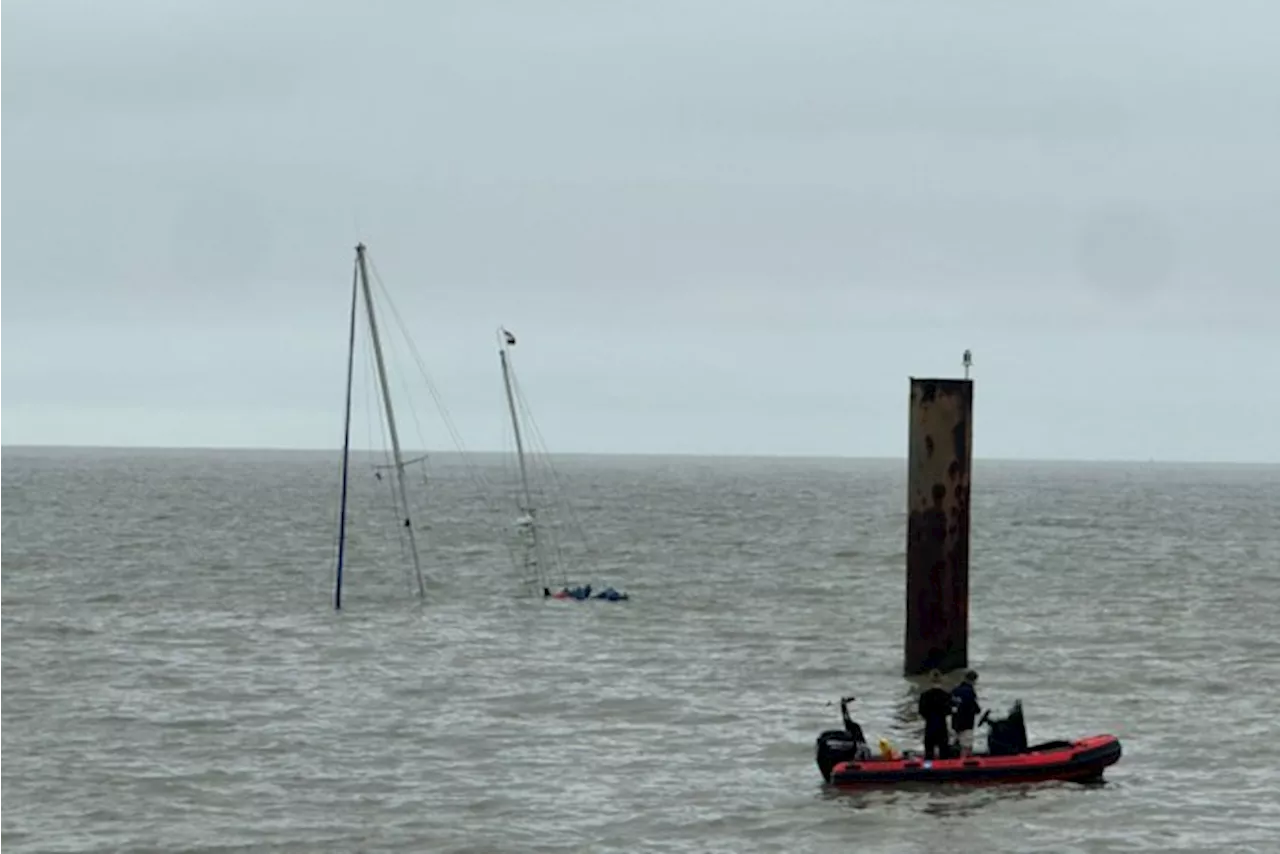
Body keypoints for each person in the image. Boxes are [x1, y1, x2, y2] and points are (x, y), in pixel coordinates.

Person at [917, 669, 952, 760]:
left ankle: (928, 768)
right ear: (941, 680)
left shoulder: (924, 695)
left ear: (930, 680)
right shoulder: (946, 695)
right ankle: (945, 768)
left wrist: (929, 716)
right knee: (944, 750)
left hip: (930, 724)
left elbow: (921, 711)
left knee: (929, 750)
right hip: (941, 724)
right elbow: (949, 711)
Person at [950, 670, 981, 756]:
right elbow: (973, 707)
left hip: (955, 723)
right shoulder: (970, 691)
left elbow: (950, 705)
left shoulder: (955, 690)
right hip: (967, 723)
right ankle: (965, 763)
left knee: (955, 743)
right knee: (966, 746)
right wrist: (978, 710)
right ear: (973, 680)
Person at [838, 696, 873, 760]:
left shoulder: (852, 725)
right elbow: (846, 716)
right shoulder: (852, 725)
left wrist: (843, 705)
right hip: (860, 746)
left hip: (860, 746)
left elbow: (845, 716)